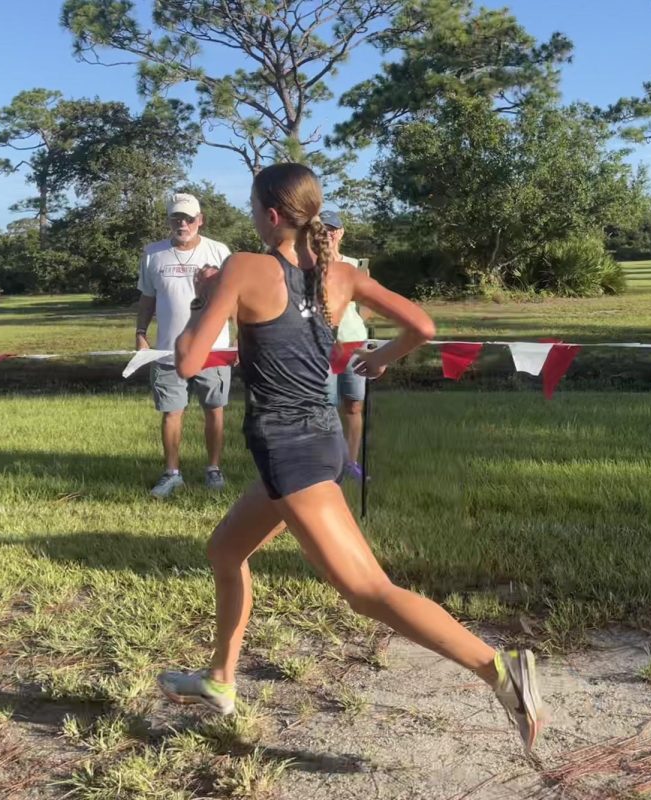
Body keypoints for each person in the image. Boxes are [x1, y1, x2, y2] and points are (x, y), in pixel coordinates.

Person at [158, 163, 545, 751]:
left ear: (268, 214)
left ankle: (499, 669)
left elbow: (187, 362)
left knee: (368, 591)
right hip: (312, 441)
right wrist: (383, 356)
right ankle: (220, 679)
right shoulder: (340, 273)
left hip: (291, 451)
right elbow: (421, 324)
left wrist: (204, 298)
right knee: (226, 550)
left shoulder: (244, 267)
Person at [135, 193, 233, 499]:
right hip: (168, 350)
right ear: (168, 220)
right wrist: (140, 331)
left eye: (189, 218)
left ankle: (213, 469)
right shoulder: (153, 254)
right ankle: (172, 473)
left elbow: (234, 299)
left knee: (214, 409)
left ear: (200, 220)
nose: (183, 224)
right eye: (177, 218)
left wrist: (242, 336)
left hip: (214, 349)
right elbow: (147, 298)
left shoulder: (220, 252)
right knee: (171, 412)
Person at [321, 209, 369, 481]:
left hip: (355, 344)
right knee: (326, 406)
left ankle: (351, 462)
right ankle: (331, 464)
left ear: (340, 233)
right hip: (323, 347)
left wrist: (359, 325)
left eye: (332, 229)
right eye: (323, 229)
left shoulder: (355, 265)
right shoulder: (310, 264)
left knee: (354, 405)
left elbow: (369, 303)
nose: (327, 234)